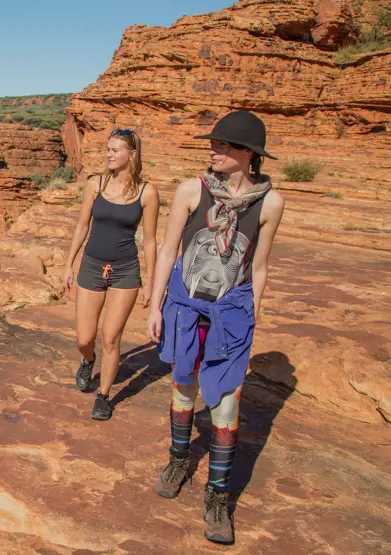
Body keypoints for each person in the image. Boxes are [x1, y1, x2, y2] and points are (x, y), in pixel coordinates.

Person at [146, 110, 285, 545]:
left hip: (232, 312)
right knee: (184, 387)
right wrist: (154, 306)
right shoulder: (191, 190)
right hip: (185, 307)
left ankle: (218, 497)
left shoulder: (270, 203)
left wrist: (251, 317)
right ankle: (178, 461)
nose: (213, 150)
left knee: (225, 404)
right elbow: (168, 250)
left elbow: (258, 266)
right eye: (213, 143)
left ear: (248, 153)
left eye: (223, 144)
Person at [62, 128, 159, 420]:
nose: (109, 154)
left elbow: (150, 241)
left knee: (111, 338)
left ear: (132, 154)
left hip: (125, 270)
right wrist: (68, 264)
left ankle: (103, 396)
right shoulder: (96, 184)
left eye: (115, 150)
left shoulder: (147, 192)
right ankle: (88, 360)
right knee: (84, 338)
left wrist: (151, 282)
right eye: (108, 149)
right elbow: (82, 226)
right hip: (92, 265)